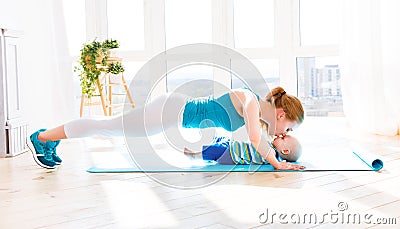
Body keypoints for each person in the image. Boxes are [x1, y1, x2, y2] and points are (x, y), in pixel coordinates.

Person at [28, 86, 305, 170]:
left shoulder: (256, 109)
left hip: (171, 111)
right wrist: (278, 164)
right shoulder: (252, 103)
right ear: (280, 114)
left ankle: (51, 139)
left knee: (109, 127)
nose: (284, 133)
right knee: (108, 127)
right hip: (169, 111)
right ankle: (41, 137)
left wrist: (277, 141)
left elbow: (262, 134)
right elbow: (256, 138)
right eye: (288, 127)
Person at [183, 135, 303, 165]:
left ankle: (195, 155)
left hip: (231, 154)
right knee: (223, 138)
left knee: (215, 150)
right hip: (233, 145)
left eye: (282, 138)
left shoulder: (271, 154)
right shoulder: (271, 150)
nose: (278, 136)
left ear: (285, 151)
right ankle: (213, 145)